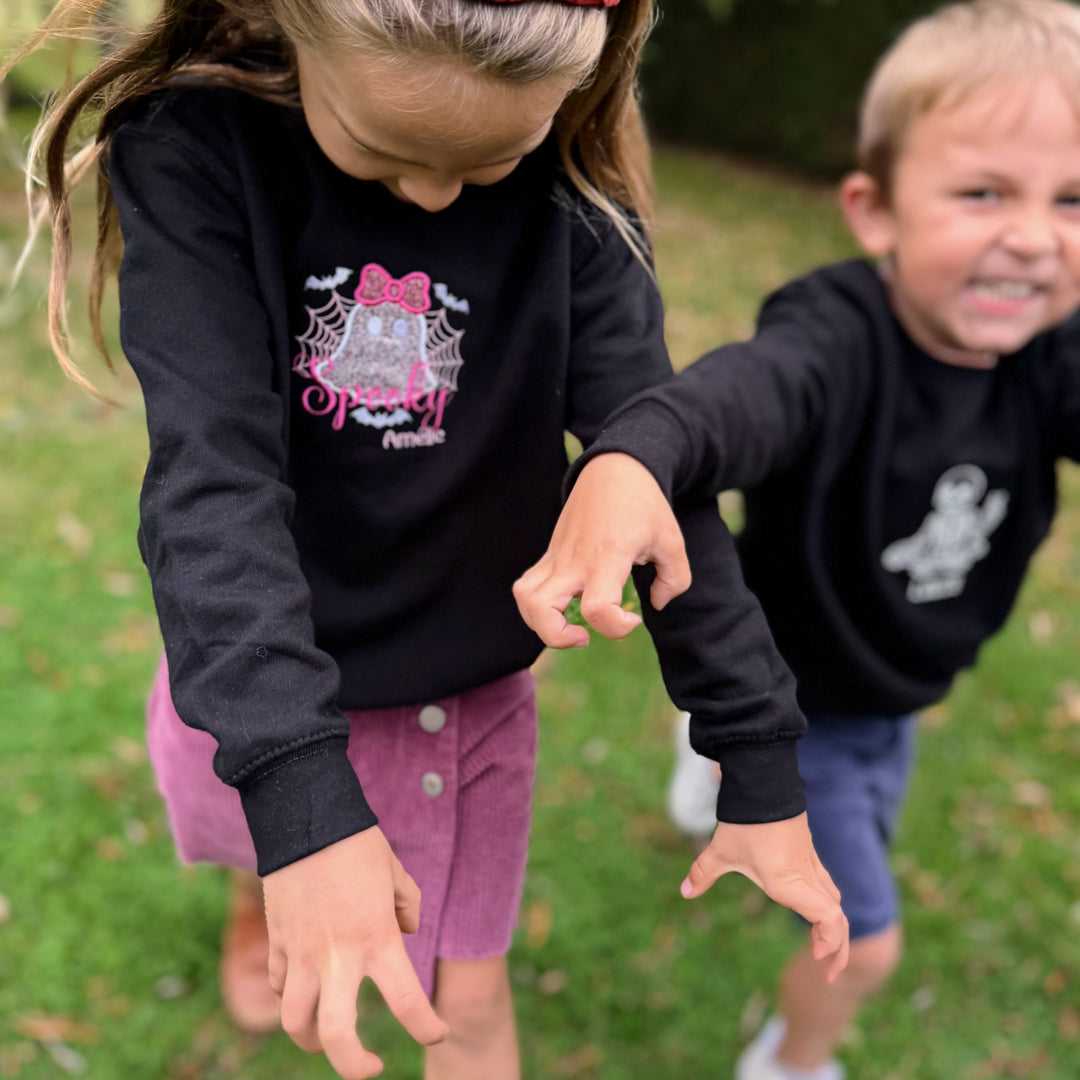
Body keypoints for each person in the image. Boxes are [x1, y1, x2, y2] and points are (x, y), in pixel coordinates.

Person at [6, 0, 847, 1077]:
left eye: (494, 158)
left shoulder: (578, 201)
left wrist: (754, 748)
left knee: (468, 1003)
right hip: (258, 677)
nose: (437, 195)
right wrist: (302, 806)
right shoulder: (194, 151)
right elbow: (213, 484)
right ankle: (259, 897)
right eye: (383, 150)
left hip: (465, 701)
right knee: (262, 849)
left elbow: (657, 490)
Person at [513, 1, 1080, 1077]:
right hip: (790, 694)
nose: (1032, 236)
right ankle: (792, 1062)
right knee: (865, 944)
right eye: (983, 193)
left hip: (897, 688)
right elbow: (737, 399)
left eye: (1074, 200)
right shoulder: (835, 338)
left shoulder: (1048, 353)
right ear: (875, 210)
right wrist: (638, 454)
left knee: (870, 803)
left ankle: (707, 761)